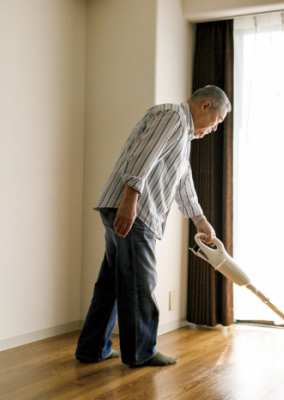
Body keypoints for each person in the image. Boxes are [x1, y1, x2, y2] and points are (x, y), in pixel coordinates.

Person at [75, 85, 231, 367]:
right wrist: (130, 201)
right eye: (217, 121)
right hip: (135, 212)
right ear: (205, 106)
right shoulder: (172, 115)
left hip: (128, 208)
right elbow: (142, 156)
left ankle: (92, 347)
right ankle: (141, 352)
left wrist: (200, 219)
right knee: (140, 283)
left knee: (111, 282)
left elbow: (183, 182)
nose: (214, 129)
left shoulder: (183, 134)